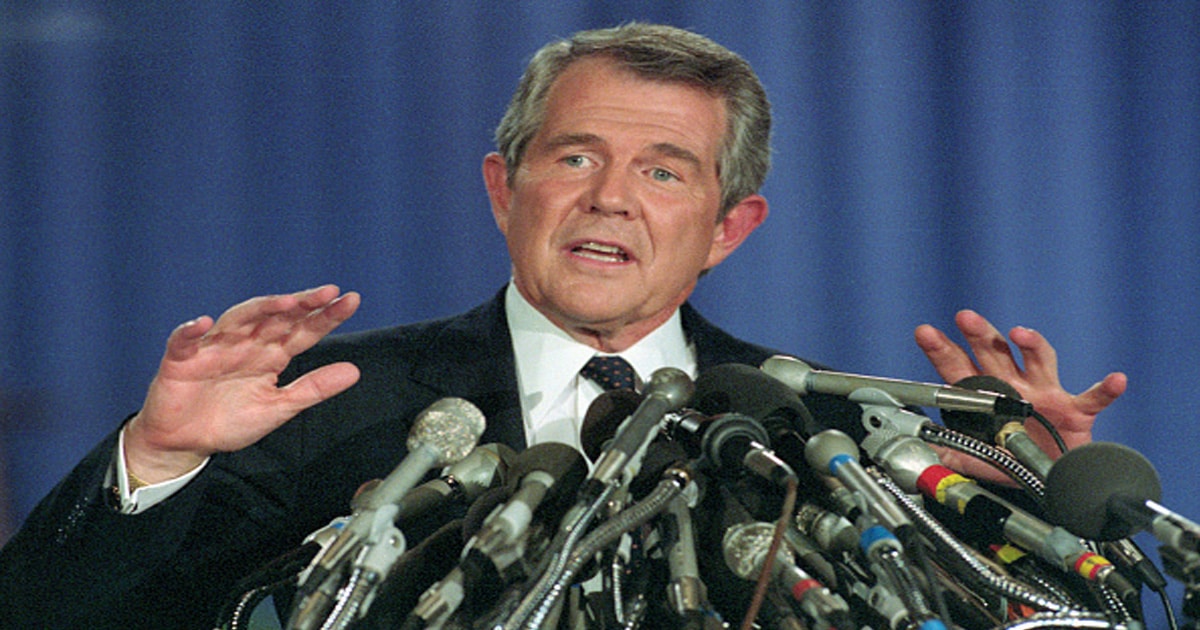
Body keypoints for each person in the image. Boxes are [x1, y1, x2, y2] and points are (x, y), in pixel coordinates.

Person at [0, 23, 1126, 629]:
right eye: (575, 157)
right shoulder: (325, 403)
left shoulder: (813, 434)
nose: (610, 198)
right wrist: (155, 461)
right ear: (505, 189)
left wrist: (1024, 498)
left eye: (664, 171)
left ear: (730, 226)